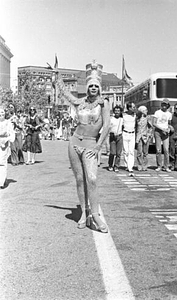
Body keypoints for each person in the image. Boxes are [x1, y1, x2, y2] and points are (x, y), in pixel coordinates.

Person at [52, 60, 110, 233]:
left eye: (96, 86)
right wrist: (57, 75)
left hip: (92, 145)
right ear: (87, 87)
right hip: (75, 143)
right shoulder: (79, 102)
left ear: (99, 88)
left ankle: (95, 215)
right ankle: (84, 213)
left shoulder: (104, 103)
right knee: (79, 179)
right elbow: (65, 94)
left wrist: (99, 147)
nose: (93, 88)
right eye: (90, 86)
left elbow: (106, 126)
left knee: (91, 179)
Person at [153, 98, 173, 172]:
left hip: (165, 132)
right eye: (163, 104)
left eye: (165, 105)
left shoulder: (169, 114)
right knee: (158, 150)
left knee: (166, 149)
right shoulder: (157, 112)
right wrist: (162, 129)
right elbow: (154, 123)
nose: (164, 106)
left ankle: (166, 166)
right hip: (158, 132)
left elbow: (169, 124)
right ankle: (159, 166)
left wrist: (168, 129)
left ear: (168, 105)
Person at [0, 106, 15, 188]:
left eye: (2, 112)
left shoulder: (8, 123)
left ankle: (1, 181)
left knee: (2, 161)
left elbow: (12, 134)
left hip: (4, 143)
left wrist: (6, 140)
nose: (1, 114)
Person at [135, 106, 153, 171]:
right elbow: (135, 127)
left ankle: (145, 165)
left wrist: (149, 134)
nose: (147, 111)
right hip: (139, 137)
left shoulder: (148, 118)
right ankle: (139, 165)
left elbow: (150, 127)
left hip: (145, 137)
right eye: (145, 110)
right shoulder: (137, 119)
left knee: (145, 152)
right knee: (139, 152)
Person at [122, 101, 136, 177]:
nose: (134, 108)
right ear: (129, 108)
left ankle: (130, 167)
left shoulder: (135, 115)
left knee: (131, 151)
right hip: (125, 133)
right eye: (133, 107)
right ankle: (126, 164)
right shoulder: (123, 115)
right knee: (125, 151)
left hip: (132, 133)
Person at [108, 105, 123, 172]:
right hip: (112, 136)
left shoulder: (122, 119)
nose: (117, 112)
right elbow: (108, 127)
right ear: (114, 111)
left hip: (119, 136)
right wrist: (111, 133)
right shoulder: (111, 119)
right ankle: (110, 165)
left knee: (118, 153)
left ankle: (116, 166)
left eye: (118, 111)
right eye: (116, 111)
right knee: (112, 152)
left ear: (120, 112)